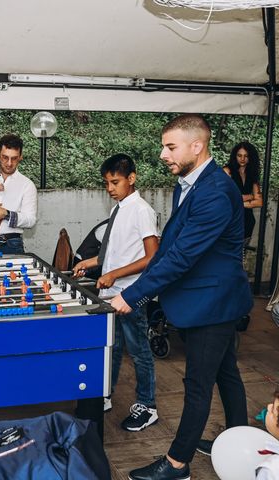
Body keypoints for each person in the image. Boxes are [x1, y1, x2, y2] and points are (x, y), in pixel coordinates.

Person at [111, 114, 252, 480]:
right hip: (206, 299)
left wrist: (134, 294)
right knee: (227, 374)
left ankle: (177, 464)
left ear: (197, 146)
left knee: (198, 383)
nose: (162, 154)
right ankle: (241, 438)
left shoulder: (217, 192)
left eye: (170, 146)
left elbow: (182, 255)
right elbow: (176, 245)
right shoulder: (188, 183)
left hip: (212, 303)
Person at [73, 153, 159, 431]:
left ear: (131, 179)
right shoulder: (118, 208)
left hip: (132, 293)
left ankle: (148, 406)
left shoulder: (142, 210)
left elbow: (151, 258)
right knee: (113, 346)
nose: (110, 188)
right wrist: (93, 263)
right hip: (113, 293)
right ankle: (105, 395)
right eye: (106, 183)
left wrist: (113, 274)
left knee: (140, 351)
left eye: (115, 182)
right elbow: (114, 251)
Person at [224, 141, 263, 245]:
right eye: (239, 155)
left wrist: (237, 201)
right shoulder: (227, 171)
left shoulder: (252, 174)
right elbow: (223, 198)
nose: (242, 159)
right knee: (226, 257)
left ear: (251, 158)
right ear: (234, 156)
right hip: (230, 222)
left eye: (246, 156)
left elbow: (259, 202)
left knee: (241, 258)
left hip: (247, 223)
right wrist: (250, 196)